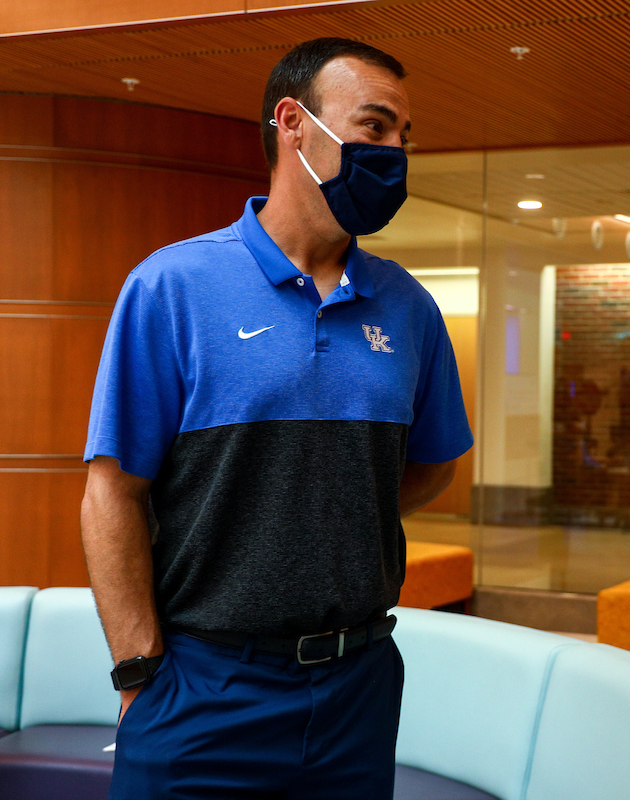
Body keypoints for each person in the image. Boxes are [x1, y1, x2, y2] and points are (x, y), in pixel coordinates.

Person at [81, 38, 473, 798]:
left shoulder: (409, 307)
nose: (394, 152)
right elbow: (112, 492)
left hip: (358, 689)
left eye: (404, 137)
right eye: (374, 127)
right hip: (204, 688)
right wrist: (139, 673)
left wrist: (320, 509)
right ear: (293, 124)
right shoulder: (173, 287)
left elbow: (434, 463)